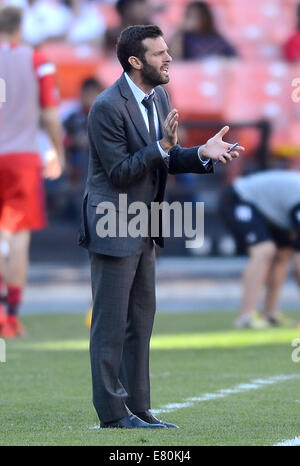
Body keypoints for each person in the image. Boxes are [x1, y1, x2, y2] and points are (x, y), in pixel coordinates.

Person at [79, 24, 244, 429]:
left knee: (141, 321)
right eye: (159, 54)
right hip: (113, 220)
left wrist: (199, 154)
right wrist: (163, 147)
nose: (169, 58)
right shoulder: (106, 106)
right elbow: (119, 173)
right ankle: (113, 415)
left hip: (145, 223)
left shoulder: (159, 96)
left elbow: (161, 159)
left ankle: (138, 409)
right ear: (135, 62)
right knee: (111, 324)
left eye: (168, 51)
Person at [0, 5, 64, 338]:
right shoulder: (37, 61)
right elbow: (52, 116)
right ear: (20, 26)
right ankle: (11, 317)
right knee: (18, 237)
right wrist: (58, 152)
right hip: (22, 157)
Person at [220, 170, 300, 329]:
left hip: (271, 210)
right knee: (264, 250)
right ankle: (246, 316)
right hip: (240, 197)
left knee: (283, 254)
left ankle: (270, 314)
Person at [63, 77, 104, 222]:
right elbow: (64, 141)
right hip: (76, 165)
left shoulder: (107, 117)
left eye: (93, 94)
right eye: (86, 94)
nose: (89, 98)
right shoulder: (72, 118)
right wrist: (76, 142)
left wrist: (90, 142)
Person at [169, 1, 237, 60]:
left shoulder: (215, 37)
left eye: (199, 15)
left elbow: (233, 57)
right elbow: (175, 58)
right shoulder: (184, 37)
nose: (196, 19)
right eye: (192, 16)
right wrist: (181, 30)